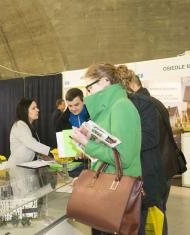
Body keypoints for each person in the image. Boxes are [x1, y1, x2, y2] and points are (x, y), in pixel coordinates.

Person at [71, 63, 142, 235]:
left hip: (118, 194)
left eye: (89, 87)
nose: (87, 93)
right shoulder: (111, 108)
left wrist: (87, 144)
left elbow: (123, 157)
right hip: (108, 187)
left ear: (104, 82)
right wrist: (88, 139)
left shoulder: (121, 106)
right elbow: (110, 146)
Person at [118, 67, 168, 235]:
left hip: (147, 171)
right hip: (154, 168)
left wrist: (120, 144)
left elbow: (151, 138)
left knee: (148, 219)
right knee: (152, 217)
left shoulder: (145, 103)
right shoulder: (152, 102)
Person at [129, 74, 180, 235]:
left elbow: (148, 140)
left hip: (155, 168)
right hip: (166, 166)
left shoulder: (142, 105)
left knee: (152, 215)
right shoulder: (156, 102)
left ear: (130, 85)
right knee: (158, 213)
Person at [8, 98, 51, 167]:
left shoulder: (29, 126)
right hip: (18, 168)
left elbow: (32, 148)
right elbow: (31, 143)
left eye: (36, 107)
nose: (38, 110)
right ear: (24, 111)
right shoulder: (19, 125)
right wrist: (51, 152)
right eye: (33, 108)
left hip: (28, 167)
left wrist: (41, 156)